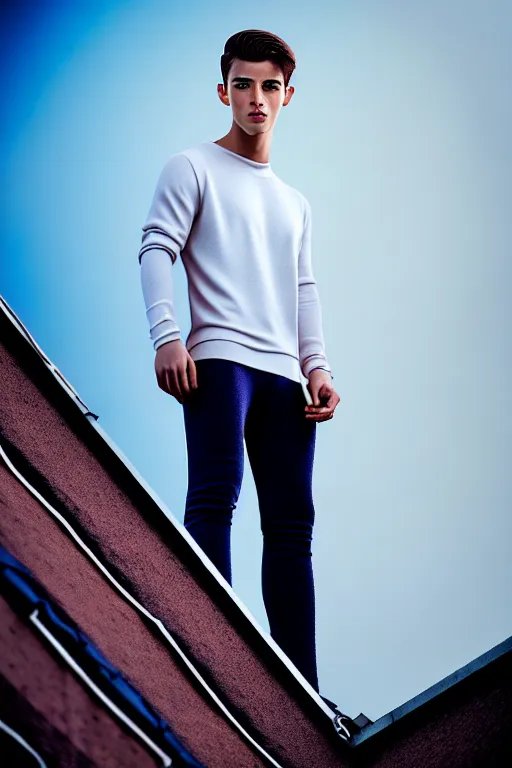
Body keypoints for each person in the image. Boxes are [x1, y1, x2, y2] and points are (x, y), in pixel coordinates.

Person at [138, 29, 354, 738]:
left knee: (293, 530)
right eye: (243, 84)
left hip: (284, 378)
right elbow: (156, 248)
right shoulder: (191, 166)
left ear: (286, 96)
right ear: (223, 89)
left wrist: (316, 365)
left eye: (269, 86)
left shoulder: (294, 202)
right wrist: (168, 335)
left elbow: (304, 287)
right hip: (220, 358)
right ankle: (210, 652)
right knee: (215, 497)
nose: (255, 98)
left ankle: (303, 698)